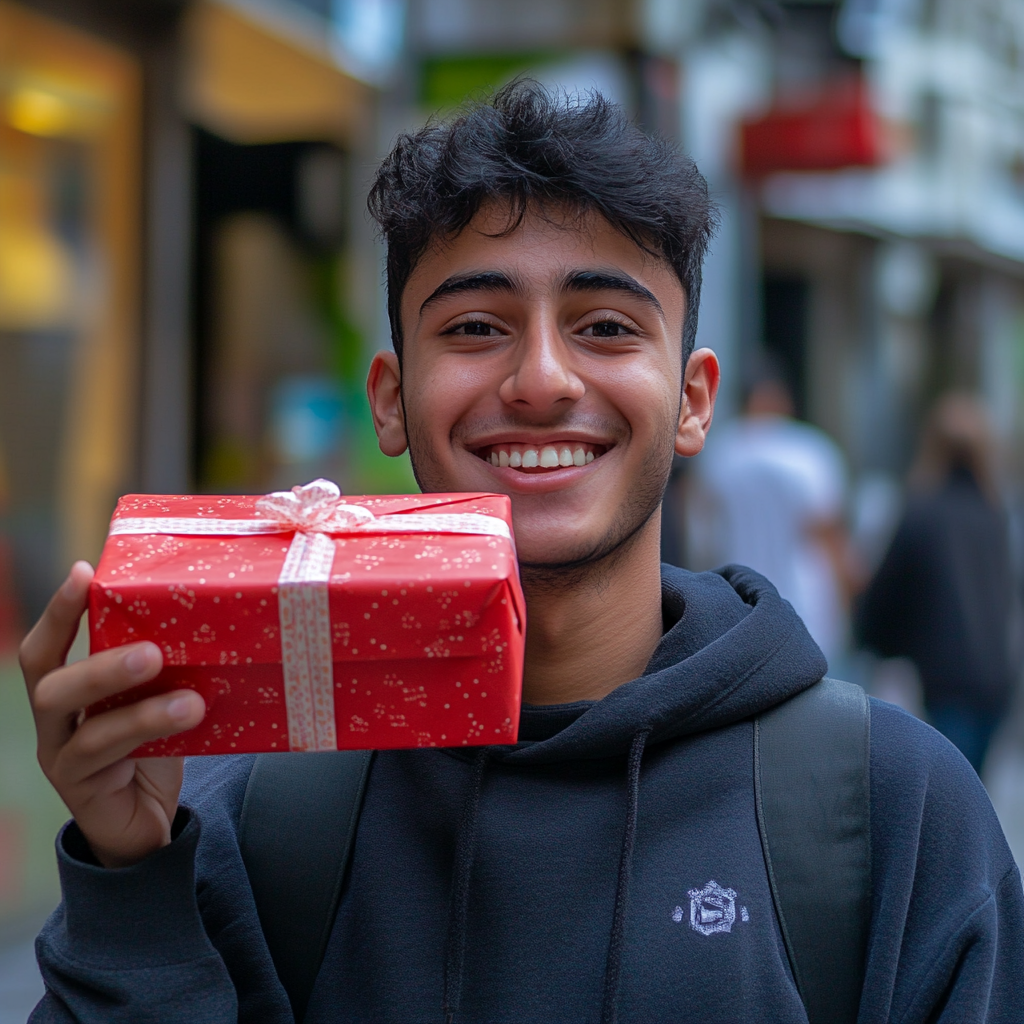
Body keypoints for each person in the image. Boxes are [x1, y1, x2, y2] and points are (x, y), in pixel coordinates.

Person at [20, 83, 1023, 1023]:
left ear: (691, 399)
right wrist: (128, 879)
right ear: (390, 397)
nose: (541, 379)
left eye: (603, 326)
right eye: (473, 326)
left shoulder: (892, 812)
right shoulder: (242, 804)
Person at [857, 393, 1019, 775]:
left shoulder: (922, 512)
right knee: (976, 792)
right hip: (996, 677)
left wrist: (871, 638)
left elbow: (888, 594)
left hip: (947, 680)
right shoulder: (993, 513)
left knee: (950, 799)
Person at [691, 359, 859, 667]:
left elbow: (703, 542)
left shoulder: (720, 453)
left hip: (740, 605)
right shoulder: (809, 452)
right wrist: (847, 606)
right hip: (808, 607)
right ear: (780, 398)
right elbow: (829, 537)